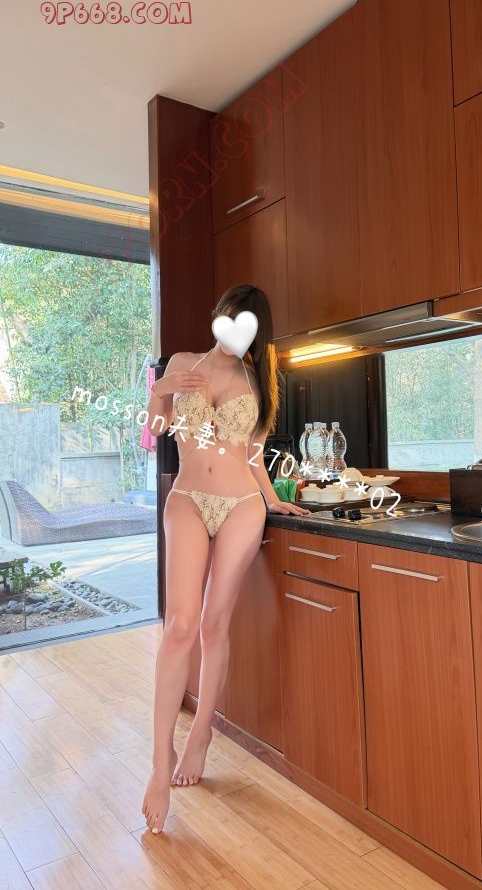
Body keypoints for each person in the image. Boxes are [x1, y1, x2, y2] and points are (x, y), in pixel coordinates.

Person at [141, 284, 308, 834]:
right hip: (188, 499)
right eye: (234, 320)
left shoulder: (256, 382)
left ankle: (201, 732)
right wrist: (161, 390)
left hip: (241, 504)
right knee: (180, 627)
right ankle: (159, 762)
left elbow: (254, 453)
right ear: (218, 316)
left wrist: (274, 499)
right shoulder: (182, 364)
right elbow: (154, 434)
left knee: (215, 625)